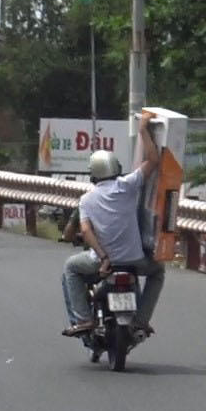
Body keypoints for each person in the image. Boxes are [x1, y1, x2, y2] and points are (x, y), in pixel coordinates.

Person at [60, 120, 165, 337]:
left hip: (102, 261)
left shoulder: (86, 200)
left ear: (93, 174)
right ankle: (142, 320)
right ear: (116, 168)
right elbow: (154, 160)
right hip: (134, 261)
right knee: (157, 271)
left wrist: (104, 257)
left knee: (71, 268)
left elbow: (86, 231)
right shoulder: (127, 186)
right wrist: (143, 130)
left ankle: (83, 320)